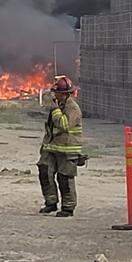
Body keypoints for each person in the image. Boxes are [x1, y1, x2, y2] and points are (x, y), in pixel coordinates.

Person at [37, 75, 84, 217]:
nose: (54, 95)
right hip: (51, 148)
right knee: (45, 172)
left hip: (67, 149)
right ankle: (50, 203)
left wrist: (55, 110)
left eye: (56, 93)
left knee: (64, 178)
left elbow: (63, 124)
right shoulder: (58, 105)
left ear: (64, 94)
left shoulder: (72, 108)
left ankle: (68, 208)